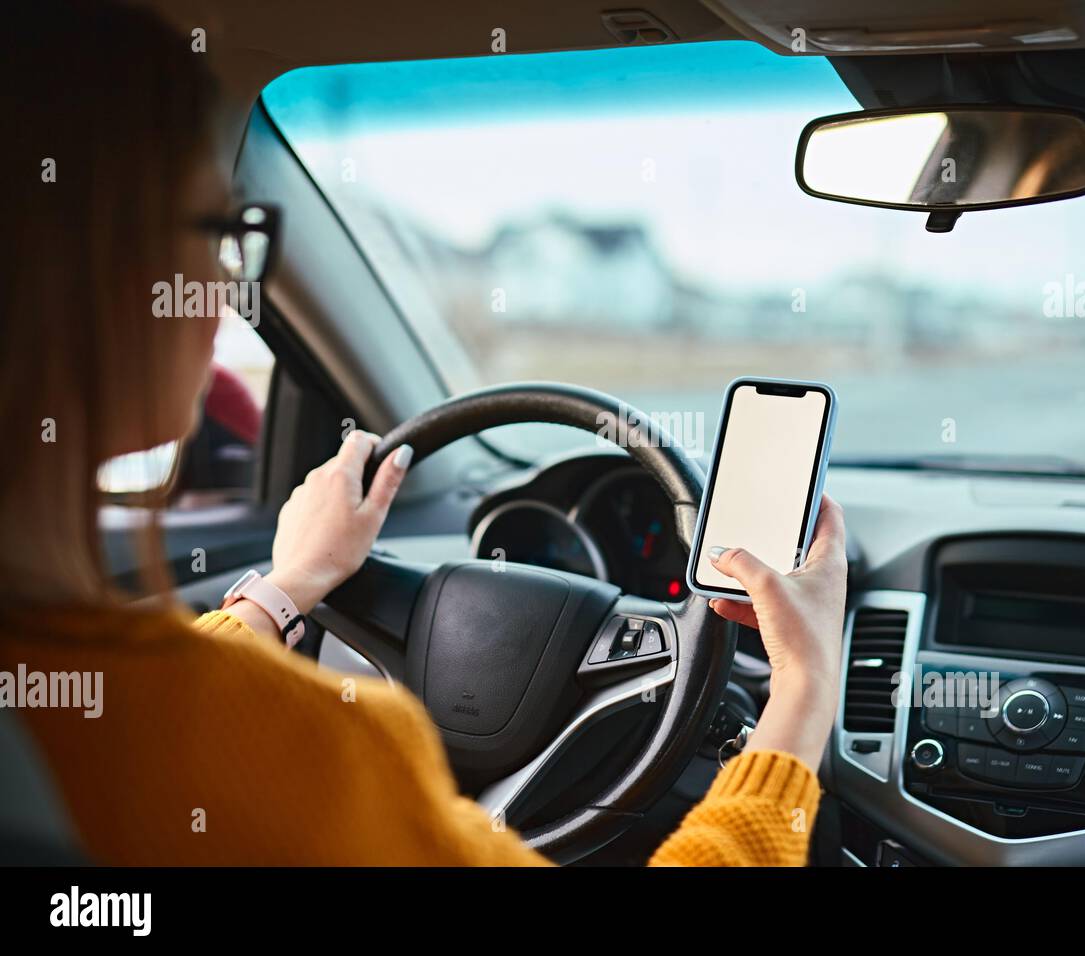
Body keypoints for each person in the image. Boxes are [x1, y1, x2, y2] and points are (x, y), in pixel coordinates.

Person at [0, 0, 848, 865]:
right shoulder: (318, 753)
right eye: (217, 235)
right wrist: (805, 686)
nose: (218, 292)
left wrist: (290, 582)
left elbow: (160, 707)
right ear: (104, 276)